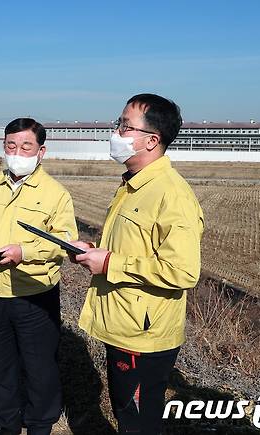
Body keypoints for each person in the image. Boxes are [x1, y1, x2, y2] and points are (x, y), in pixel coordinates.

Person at [70, 94, 204, 434]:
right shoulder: (133, 185)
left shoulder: (170, 194)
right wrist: (93, 251)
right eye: (119, 123)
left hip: (143, 336)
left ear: (152, 140)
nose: (116, 132)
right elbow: (135, 247)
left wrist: (111, 262)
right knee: (127, 414)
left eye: (125, 126)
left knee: (138, 423)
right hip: (123, 324)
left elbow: (182, 271)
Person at [0, 118, 78, 435]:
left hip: (35, 295)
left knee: (39, 367)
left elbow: (65, 243)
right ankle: (6, 421)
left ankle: (39, 424)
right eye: (11, 145)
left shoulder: (56, 194)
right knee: (1, 364)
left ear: (41, 151)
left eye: (26, 146)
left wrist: (24, 252)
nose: (17, 152)